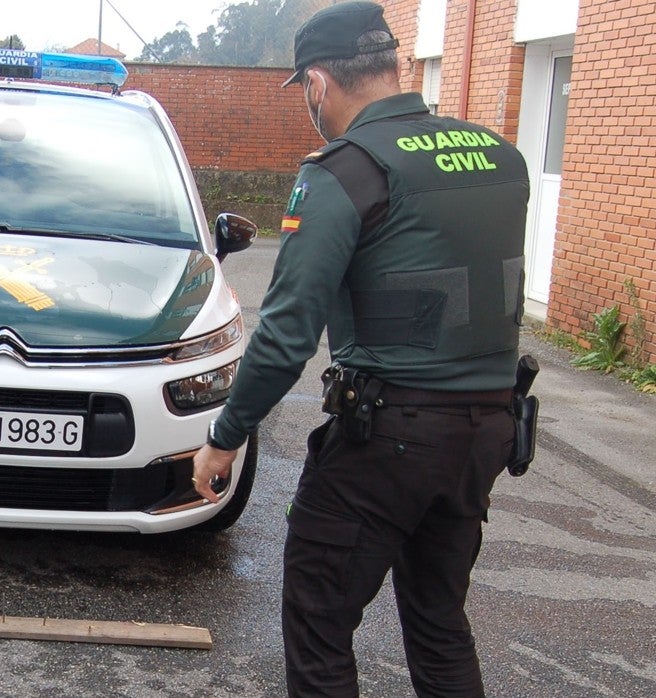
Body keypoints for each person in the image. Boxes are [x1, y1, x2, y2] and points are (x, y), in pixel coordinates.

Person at [193, 2, 530, 696]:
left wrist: (224, 438)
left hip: (387, 438)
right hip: (486, 432)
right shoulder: (503, 157)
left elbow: (288, 334)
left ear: (317, 84)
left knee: (319, 622)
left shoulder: (344, 172)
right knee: (439, 624)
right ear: (392, 66)